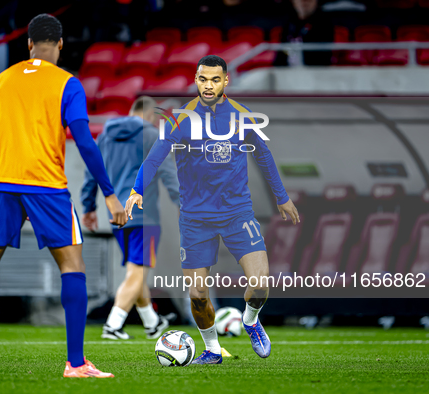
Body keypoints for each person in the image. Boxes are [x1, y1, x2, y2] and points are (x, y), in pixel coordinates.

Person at [0, 14, 126, 378]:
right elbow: (84, 141)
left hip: (1, 185)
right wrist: (110, 195)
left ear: (28, 43)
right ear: (62, 44)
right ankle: (76, 364)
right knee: (72, 267)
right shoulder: (68, 83)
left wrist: (3, 171)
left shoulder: (2, 80)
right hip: (47, 186)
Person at [125, 55, 299, 364]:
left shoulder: (242, 116)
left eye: (215, 79)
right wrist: (138, 189)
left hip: (237, 214)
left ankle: (249, 320)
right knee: (198, 296)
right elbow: (154, 156)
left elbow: (265, 157)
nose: (208, 85)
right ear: (196, 79)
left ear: (226, 81)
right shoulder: (180, 119)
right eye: (203, 79)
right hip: (196, 219)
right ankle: (212, 349)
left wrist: (281, 197)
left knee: (259, 286)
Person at [80, 96, 180, 340]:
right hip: (144, 215)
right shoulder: (151, 135)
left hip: (116, 216)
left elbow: (93, 171)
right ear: (150, 115)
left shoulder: (105, 136)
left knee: (137, 271)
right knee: (137, 273)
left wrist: (88, 206)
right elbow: (167, 171)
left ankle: (152, 323)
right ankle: (113, 326)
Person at [273, 0, 334, 67]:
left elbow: (323, 58)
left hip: (314, 72)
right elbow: (282, 53)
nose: (304, 2)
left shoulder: (324, 24)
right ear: (293, 2)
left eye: (309, 0)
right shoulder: (288, 23)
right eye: (301, 0)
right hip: (288, 72)